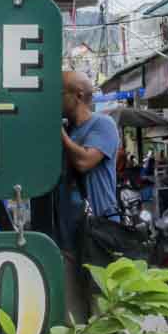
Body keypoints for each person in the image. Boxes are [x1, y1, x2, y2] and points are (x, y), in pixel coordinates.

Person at [56, 70, 120, 250]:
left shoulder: (103, 124)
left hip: (99, 228)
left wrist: (59, 132)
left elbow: (84, 162)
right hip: (68, 233)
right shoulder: (67, 129)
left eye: (60, 94)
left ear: (78, 95)